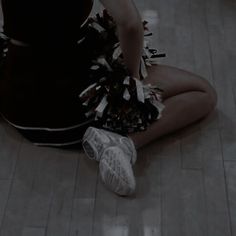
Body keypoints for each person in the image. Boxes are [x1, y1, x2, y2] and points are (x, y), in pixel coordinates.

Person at [0, 0, 217, 196]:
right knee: (204, 92)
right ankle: (124, 142)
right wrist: (132, 84)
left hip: (14, 102)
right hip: (70, 113)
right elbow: (130, 24)